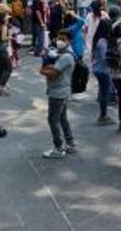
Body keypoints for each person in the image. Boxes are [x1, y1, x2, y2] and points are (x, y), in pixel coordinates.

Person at [40, 30, 77, 159]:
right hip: (61, 90)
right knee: (62, 118)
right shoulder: (61, 53)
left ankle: (58, 147)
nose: (59, 41)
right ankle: (70, 143)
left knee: (53, 120)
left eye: (63, 39)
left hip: (58, 92)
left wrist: (43, 70)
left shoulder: (66, 56)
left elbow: (52, 73)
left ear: (69, 41)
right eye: (58, 38)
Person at [91, 18, 114, 125]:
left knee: (103, 91)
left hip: (98, 68)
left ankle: (103, 112)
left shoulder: (99, 39)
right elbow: (106, 57)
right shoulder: (103, 42)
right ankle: (103, 115)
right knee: (105, 92)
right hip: (103, 70)